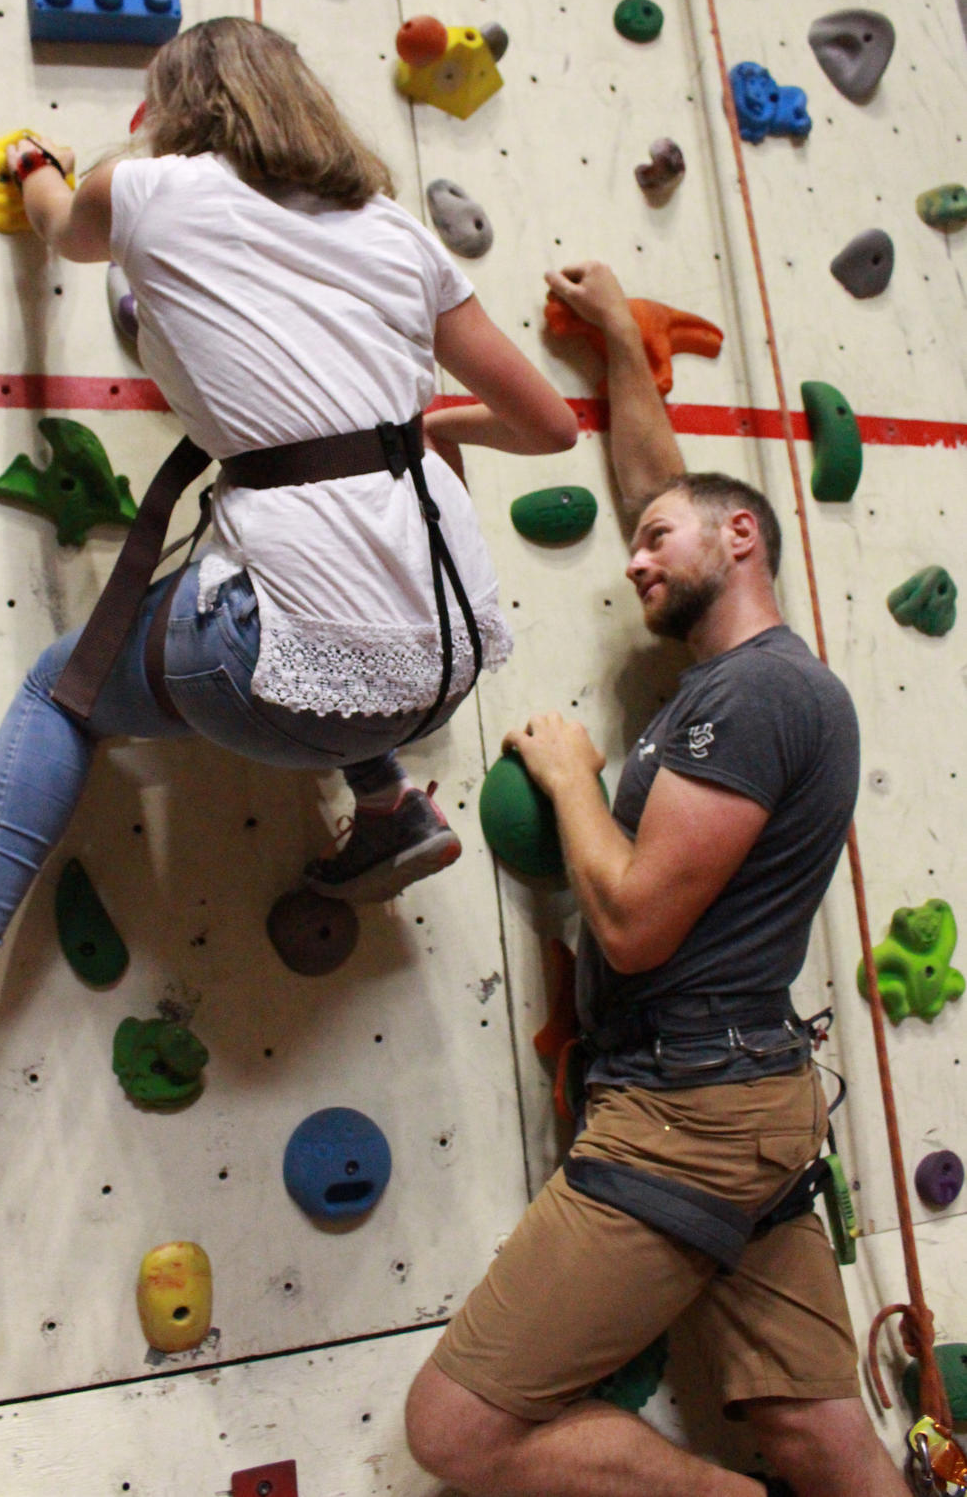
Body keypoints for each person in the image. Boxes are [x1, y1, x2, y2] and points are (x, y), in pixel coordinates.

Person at [0, 18, 578, 1089]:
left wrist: (28, 163)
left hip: (271, 671)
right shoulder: (398, 234)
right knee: (327, 605)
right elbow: (549, 427)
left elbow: (60, 225)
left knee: (60, 693)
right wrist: (431, 430)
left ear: (183, 106)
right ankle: (388, 810)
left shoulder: (152, 189)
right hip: (449, 663)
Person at [406, 261, 908, 1497]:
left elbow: (631, 924)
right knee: (814, 1433)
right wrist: (624, 345)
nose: (633, 561)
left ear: (743, 538)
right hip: (744, 1092)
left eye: (652, 545)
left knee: (457, 1431)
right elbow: (661, 489)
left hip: (690, 1114)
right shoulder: (754, 680)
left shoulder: (755, 694)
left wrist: (574, 775)